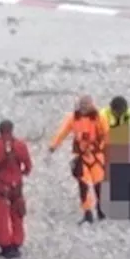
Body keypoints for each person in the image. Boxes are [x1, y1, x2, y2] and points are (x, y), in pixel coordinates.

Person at [49, 95, 110, 223]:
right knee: (84, 185)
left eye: (86, 105)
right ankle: (87, 213)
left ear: (92, 105)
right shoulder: (72, 118)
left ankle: (101, 210)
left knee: (99, 184)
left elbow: (107, 135)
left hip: (97, 156)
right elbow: (63, 132)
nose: (84, 108)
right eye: (82, 105)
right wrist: (54, 145)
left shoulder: (100, 118)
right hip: (82, 157)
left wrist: (102, 148)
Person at [0, 120, 32, 258]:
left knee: (2, 217)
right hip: (17, 187)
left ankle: (5, 246)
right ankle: (17, 242)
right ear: (12, 129)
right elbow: (28, 166)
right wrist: (21, 174)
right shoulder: (21, 145)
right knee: (17, 216)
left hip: (1, 188)